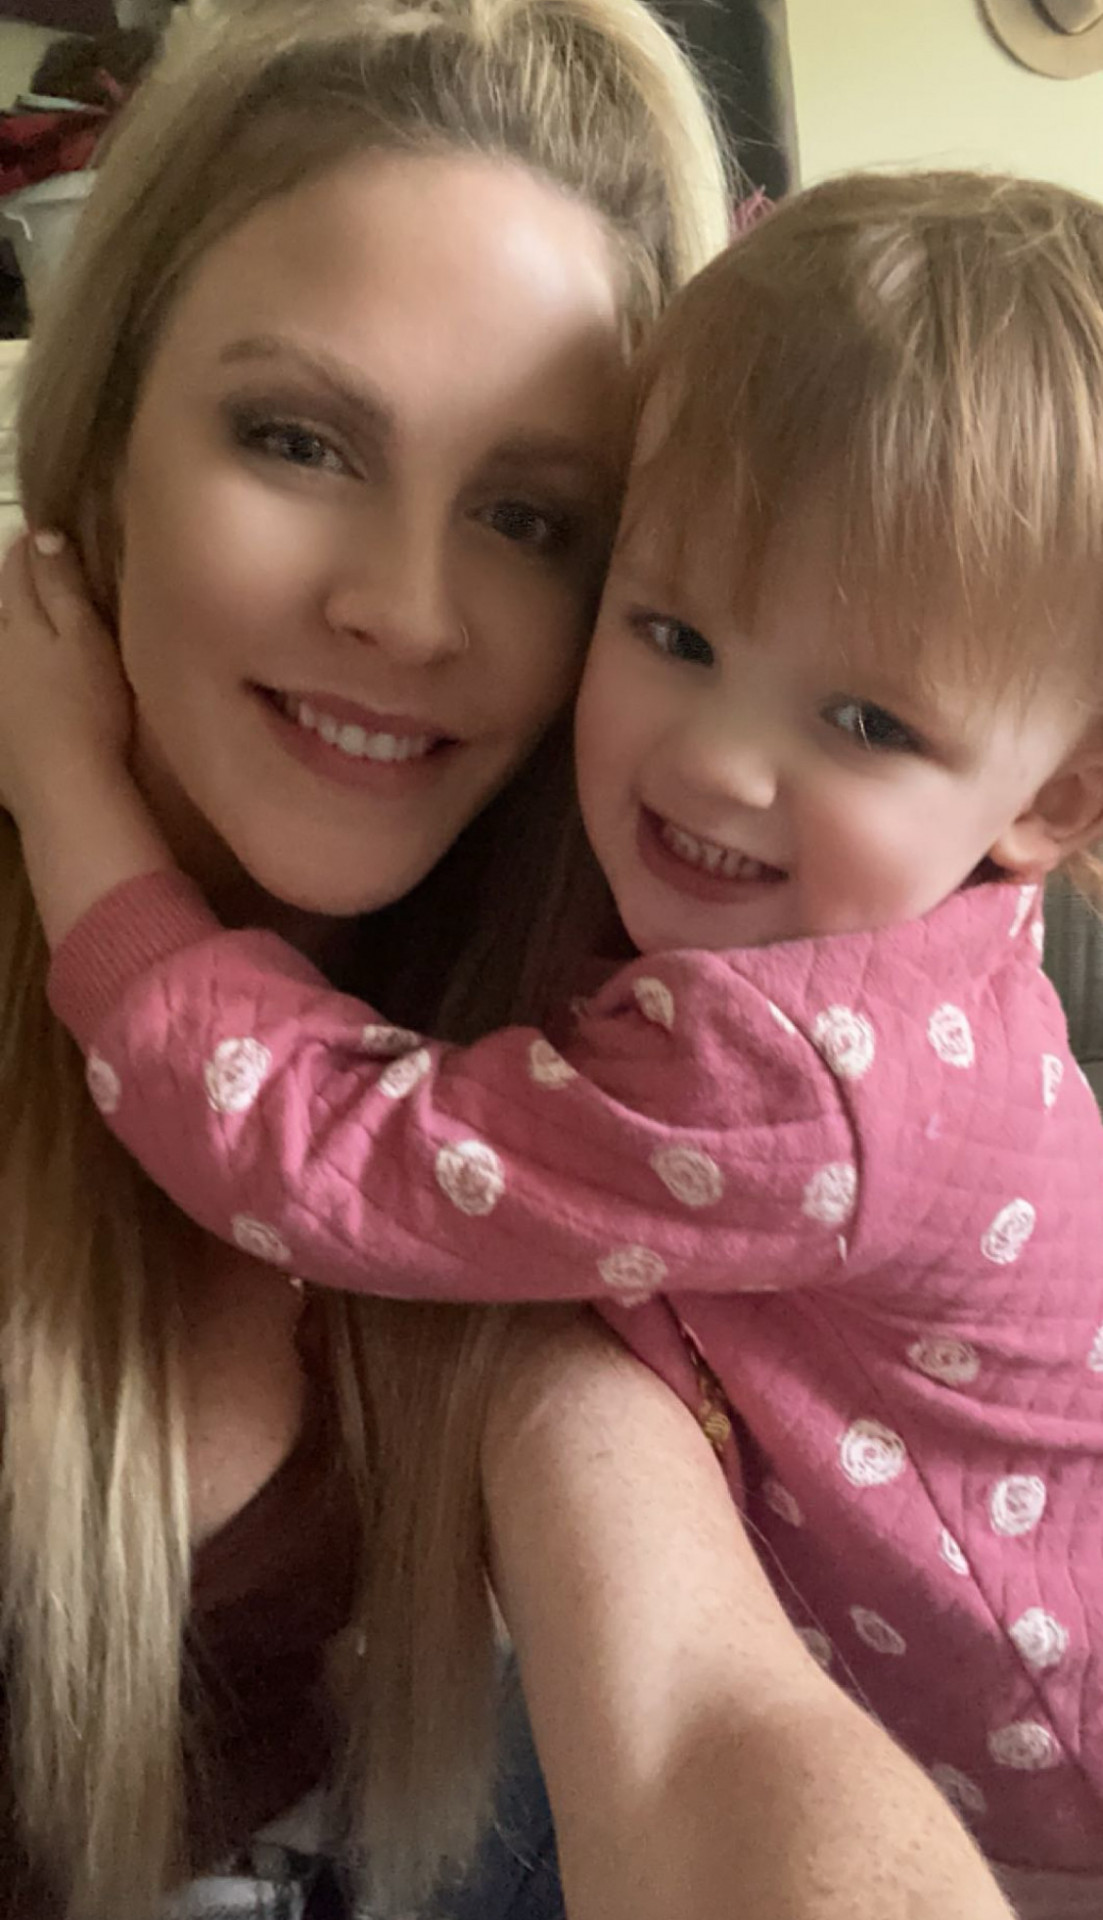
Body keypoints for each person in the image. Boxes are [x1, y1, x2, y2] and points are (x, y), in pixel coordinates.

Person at [0, 4, 1016, 1918]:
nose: (406, 611)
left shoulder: (622, 1036)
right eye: (296, 439)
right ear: (105, 430)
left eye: (531, 518)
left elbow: (703, 1717)